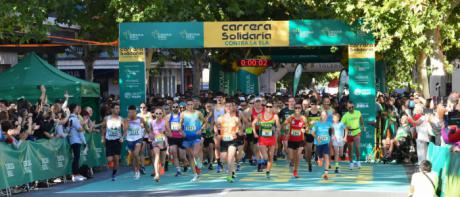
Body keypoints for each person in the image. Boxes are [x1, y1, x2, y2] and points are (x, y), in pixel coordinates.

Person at [180, 99, 207, 182]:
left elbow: (205, 122)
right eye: (188, 104)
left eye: (191, 104)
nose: (190, 106)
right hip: (187, 136)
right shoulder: (183, 114)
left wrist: (201, 129)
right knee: (190, 156)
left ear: (193, 105)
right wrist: (181, 131)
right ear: (186, 106)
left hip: (196, 136)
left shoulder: (198, 113)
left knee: (195, 153)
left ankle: (199, 162)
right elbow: (180, 124)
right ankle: (195, 174)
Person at [215, 101, 242, 183]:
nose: (228, 108)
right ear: (225, 108)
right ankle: (232, 170)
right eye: (227, 106)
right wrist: (218, 134)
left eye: (230, 106)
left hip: (233, 140)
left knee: (230, 158)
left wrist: (237, 133)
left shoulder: (236, 119)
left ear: (232, 108)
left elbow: (240, 129)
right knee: (223, 159)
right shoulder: (220, 118)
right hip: (224, 140)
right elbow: (216, 127)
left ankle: (229, 176)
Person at [253, 101, 280, 178]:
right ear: (265, 107)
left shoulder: (275, 116)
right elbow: (253, 123)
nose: (269, 108)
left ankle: (268, 171)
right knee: (265, 157)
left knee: (270, 157)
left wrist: (275, 129)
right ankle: (263, 162)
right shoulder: (260, 115)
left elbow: (278, 127)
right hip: (262, 139)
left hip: (272, 139)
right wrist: (255, 133)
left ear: (272, 108)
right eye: (267, 106)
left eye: (270, 107)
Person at [123, 105, 146, 180]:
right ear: (128, 112)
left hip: (138, 139)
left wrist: (149, 134)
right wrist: (128, 121)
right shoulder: (126, 120)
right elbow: (125, 130)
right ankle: (135, 171)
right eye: (130, 112)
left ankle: (138, 170)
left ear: (136, 112)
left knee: (136, 153)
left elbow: (145, 127)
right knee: (133, 157)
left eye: (133, 112)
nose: (132, 113)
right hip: (130, 140)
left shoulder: (140, 119)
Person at [101, 103, 123, 181]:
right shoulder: (107, 118)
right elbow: (103, 128)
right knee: (110, 159)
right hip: (109, 140)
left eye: (118, 108)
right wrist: (102, 137)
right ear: (112, 109)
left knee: (116, 159)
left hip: (117, 140)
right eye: (116, 108)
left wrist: (123, 137)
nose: (118, 110)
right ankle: (112, 168)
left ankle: (114, 174)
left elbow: (126, 128)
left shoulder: (121, 119)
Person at [341, 101, 366, 170]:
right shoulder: (345, 116)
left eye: (352, 107)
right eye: (349, 107)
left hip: (357, 131)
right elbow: (341, 125)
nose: (351, 108)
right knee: (350, 149)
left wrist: (363, 126)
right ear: (347, 107)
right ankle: (351, 162)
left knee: (357, 147)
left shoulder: (358, 112)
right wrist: (345, 126)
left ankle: (358, 161)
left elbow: (361, 120)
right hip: (349, 133)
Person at [285, 103, 307, 178]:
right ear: (294, 109)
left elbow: (307, 127)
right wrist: (287, 127)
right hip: (291, 140)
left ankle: (295, 171)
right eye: (296, 108)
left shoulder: (303, 118)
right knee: (291, 157)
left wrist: (304, 129)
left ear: (301, 109)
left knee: (298, 156)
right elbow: (284, 125)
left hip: (300, 140)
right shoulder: (291, 117)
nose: (297, 109)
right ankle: (291, 161)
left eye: (299, 108)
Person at [165, 103, 186, 177]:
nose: (175, 108)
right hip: (173, 138)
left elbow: (186, 125)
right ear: (171, 108)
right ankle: (178, 170)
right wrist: (168, 133)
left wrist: (184, 133)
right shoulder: (168, 117)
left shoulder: (182, 116)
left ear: (179, 108)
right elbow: (166, 127)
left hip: (181, 138)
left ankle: (185, 163)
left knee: (182, 156)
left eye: (177, 107)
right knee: (174, 153)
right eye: (173, 107)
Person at [68, 104, 87, 182]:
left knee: (76, 157)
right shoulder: (74, 119)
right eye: (77, 108)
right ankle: (75, 175)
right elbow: (80, 130)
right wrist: (84, 142)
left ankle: (76, 174)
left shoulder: (73, 118)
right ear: (73, 109)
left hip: (74, 140)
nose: (78, 109)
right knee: (76, 158)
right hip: (76, 141)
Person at [312, 111, 333, 180]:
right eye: (322, 115)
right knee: (320, 162)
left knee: (327, 156)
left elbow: (333, 128)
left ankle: (326, 173)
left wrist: (333, 135)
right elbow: (312, 133)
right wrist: (317, 138)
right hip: (319, 144)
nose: (324, 117)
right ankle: (319, 158)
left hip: (325, 143)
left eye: (325, 115)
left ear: (327, 116)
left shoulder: (329, 124)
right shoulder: (317, 124)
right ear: (321, 116)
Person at [150, 108, 168, 182]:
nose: (158, 115)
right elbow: (151, 131)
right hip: (155, 142)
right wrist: (151, 137)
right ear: (154, 114)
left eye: (160, 113)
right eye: (156, 113)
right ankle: (157, 174)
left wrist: (165, 133)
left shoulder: (165, 122)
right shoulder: (152, 122)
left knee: (162, 161)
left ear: (162, 114)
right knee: (157, 156)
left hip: (163, 142)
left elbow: (169, 132)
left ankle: (161, 167)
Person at [305, 99, 321, 172]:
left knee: (317, 148)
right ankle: (309, 164)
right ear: (310, 105)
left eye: (315, 104)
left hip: (317, 132)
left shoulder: (320, 112)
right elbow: (304, 122)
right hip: (309, 132)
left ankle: (316, 155)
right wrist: (309, 123)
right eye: (312, 104)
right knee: (309, 150)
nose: (313, 106)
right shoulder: (307, 112)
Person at [137, 103, 152, 175]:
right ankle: (143, 167)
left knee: (151, 153)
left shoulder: (149, 114)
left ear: (146, 108)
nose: (142, 109)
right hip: (141, 136)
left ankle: (155, 168)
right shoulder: (138, 115)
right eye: (141, 107)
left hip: (149, 135)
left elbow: (151, 124)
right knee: (141, 152)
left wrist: (147, 130)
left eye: (144, 107)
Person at [213, 94, 226, 173]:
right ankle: (219, 164)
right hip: (216, 129)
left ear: (223, 99)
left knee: (226, 147)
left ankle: (227, 163)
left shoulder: (226, 107)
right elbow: (212, 119)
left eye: (221, 97)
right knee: (217, 147)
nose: (219, 99)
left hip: (226, 129)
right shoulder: (213, 107)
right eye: (218, 97)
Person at [202, 101, 215, 170]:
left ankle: (211, 163)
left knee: (211, 146)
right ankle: (205, 159)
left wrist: (210, 130)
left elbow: (213, 123)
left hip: (211, 133)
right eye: (208, 106)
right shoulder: (203, 113)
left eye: (210, 106)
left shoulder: (214, 114)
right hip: (203, 132)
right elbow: (204, 121)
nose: (209, 108)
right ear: (205, 107)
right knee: (204, 148)